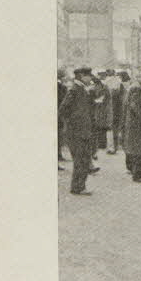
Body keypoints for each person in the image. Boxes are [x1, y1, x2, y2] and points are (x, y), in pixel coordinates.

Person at [59, 68, 97, 196]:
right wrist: (73, 123)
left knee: (84, 159)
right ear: (81, 76)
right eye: (88, 76)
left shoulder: (82, 90)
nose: (90, 79)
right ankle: (78, 187)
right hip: (77, 132)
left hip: (83, 131)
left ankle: (80, 186)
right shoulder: (75, 90)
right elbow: (63, 109)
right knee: (80, 160)